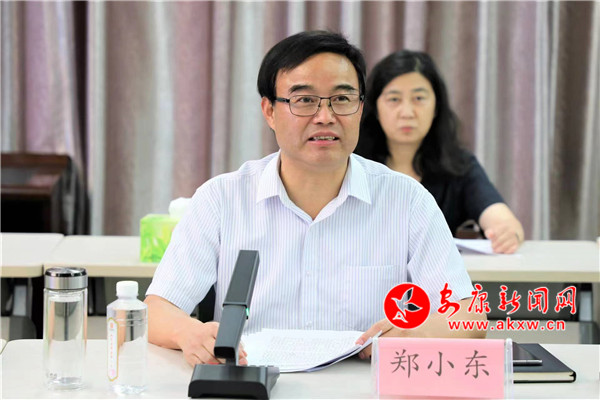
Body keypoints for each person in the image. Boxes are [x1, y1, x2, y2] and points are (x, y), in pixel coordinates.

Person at [145, 31, 485, 367]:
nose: (325, 116)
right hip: (253, 383)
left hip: (364, 387)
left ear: (361, 107)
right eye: (304, 100)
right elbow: (159, 310)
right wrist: (189, 332)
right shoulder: (221, 199)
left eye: (342, 99)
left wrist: (417, 332)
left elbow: (468, 314)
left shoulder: (407, 200)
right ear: (269, 111)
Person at [355, 50, 524, 254]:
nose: (407, 113)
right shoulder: (352, 164)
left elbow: (499, 217)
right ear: (375, 107)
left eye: (419, 98)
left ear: (436, 106)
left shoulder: (458, 166)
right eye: (394, 99)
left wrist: (507, 232)